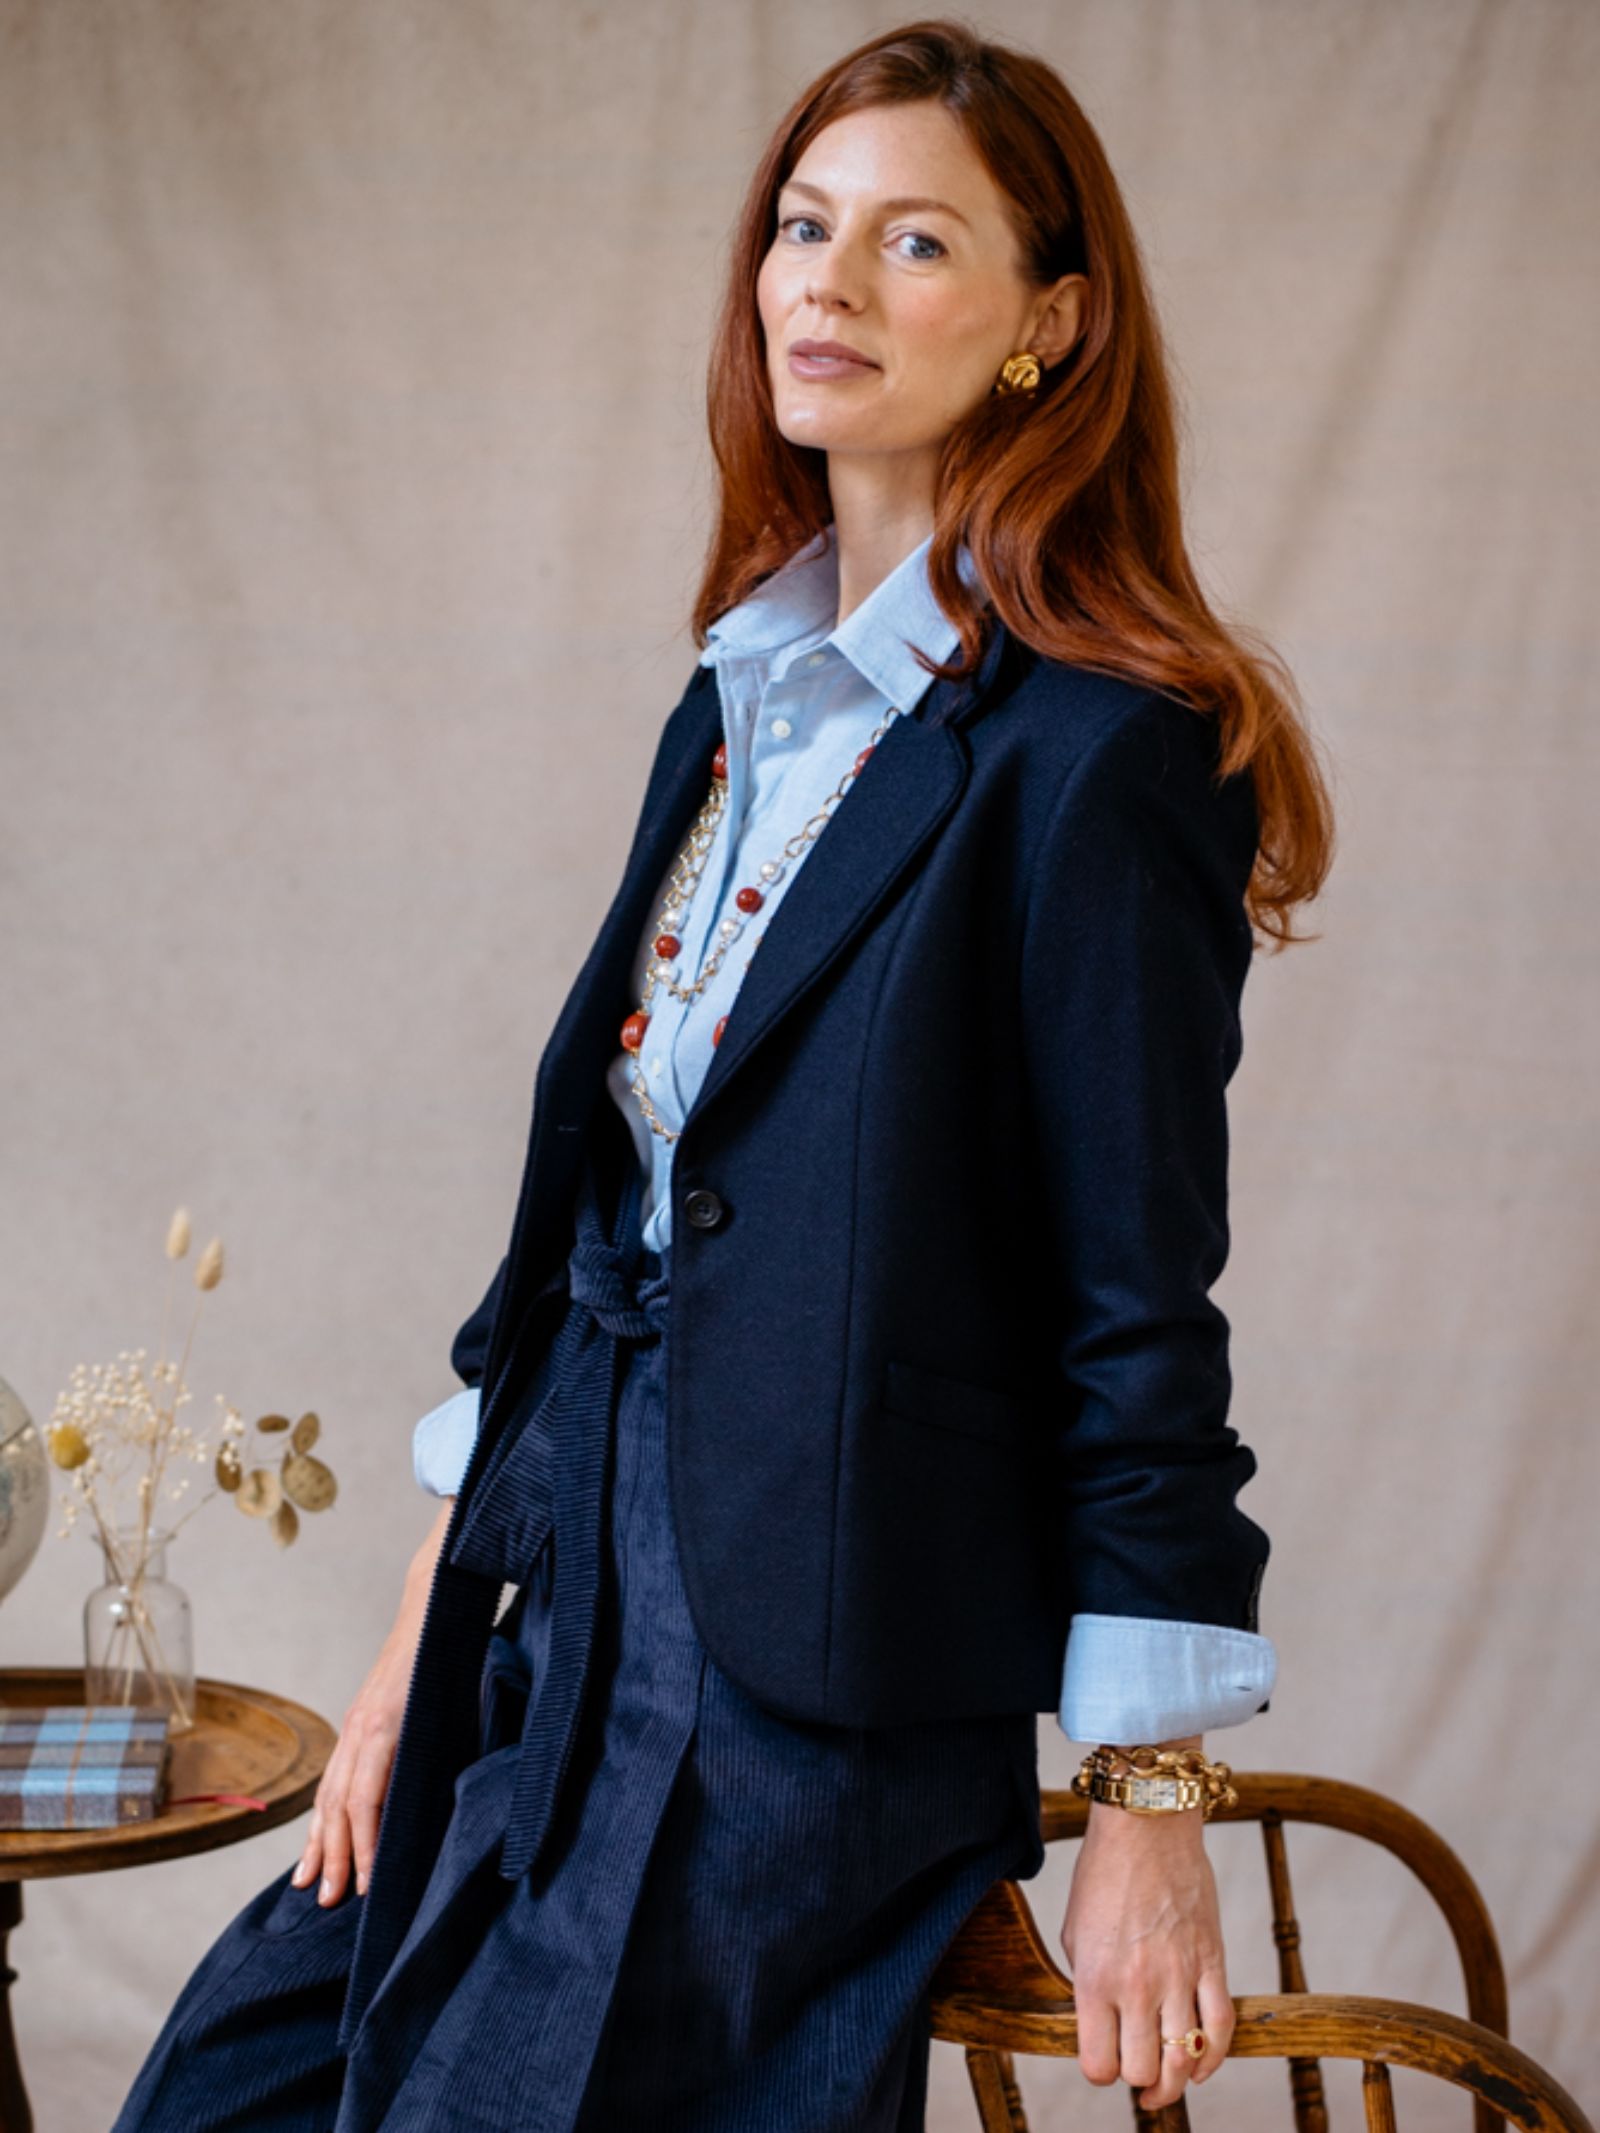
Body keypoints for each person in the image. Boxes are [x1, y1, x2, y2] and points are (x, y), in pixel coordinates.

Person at [112, 18, 1334, 2132]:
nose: (823, 284)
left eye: (914, 241)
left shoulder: (1098, 763)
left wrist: (1144, 1794)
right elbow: (607, 1209)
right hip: (555, 1593)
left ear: (1050, 322)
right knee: (225, 2086)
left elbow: (1134, 1313)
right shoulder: (736, 701)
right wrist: (425, 1608)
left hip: (803, 1700)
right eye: (799, 224)